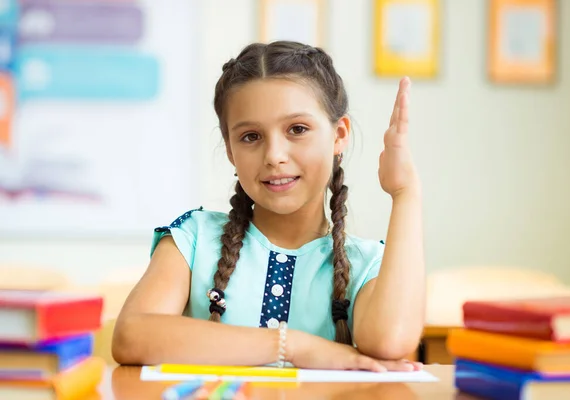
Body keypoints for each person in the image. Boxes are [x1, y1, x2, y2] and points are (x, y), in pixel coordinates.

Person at [112, 41, 425, 372]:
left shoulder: (365, 265)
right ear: (230, 150)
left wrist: (406, 193)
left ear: (338, 135)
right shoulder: (193, 240)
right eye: (250, 136)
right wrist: (292, 347)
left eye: (297, 129)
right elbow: (131, 336)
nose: (274, 155)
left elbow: (392, 341)